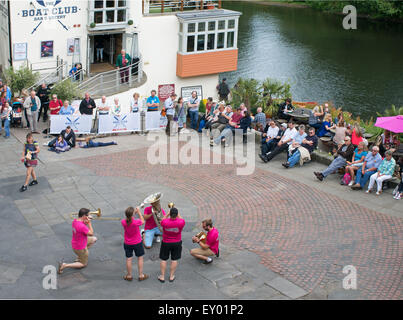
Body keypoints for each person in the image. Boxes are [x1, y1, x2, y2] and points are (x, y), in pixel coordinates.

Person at [58, 208, 97, 274]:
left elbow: (81, 228)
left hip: (76, 243)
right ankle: (65, 265)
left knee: (94, 239)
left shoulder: (75, 221)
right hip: (80, 247)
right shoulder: (82, 227)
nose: (89, 216)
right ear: (84, 216)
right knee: (83, 264)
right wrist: (89, 223)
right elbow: (91, 233)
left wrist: (86, 222)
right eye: (88, 215)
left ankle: (80, 256)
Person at [158, 207, 185, 283]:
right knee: (174, 259)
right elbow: (181, 219)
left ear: (170, 214)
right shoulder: (181, 222)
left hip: (166, 242)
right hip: (177, 242)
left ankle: (162, 276)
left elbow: (161, 220)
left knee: (163, 259)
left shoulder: (165, 222)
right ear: (176, 215)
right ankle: (171, 276)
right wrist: (177, 213)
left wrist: (167, 213)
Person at [121, 207, 149, 282]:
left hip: (127, 243)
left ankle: (129, 275)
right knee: (140, 258)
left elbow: (128, 220)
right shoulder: (136, 222)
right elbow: (143, 221)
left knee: (129, 259)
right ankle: (141, 275)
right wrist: (139, 212)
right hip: (137, 242)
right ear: (133, 214)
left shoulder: (123, 221)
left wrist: (133, 213)